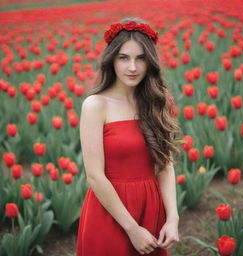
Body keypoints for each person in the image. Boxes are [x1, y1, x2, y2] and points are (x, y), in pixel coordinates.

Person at [76, 17, 184, 256]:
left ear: (150, 62)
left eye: (141, 58)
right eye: (123, 58)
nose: (132, 67)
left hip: (151, 208)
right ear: (111, 60)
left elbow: (165, 165)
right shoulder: (96, 105)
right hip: (111, 213)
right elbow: (94, 176)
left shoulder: (157, 102)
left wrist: (172, 217)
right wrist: (132, 228)